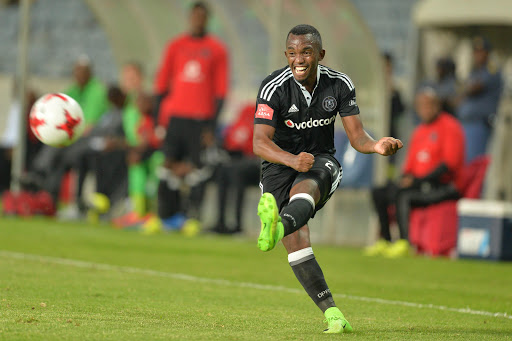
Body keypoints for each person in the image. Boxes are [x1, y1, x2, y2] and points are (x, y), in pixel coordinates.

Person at [253, 24, 402, 334]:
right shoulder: (273, 88)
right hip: (280, 165)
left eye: (306, 52)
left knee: (306, 189)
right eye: (292, 53)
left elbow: (357, 136)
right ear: (286, 55)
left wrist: (375, 146)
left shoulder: (339, 85)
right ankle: (333, 314)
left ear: (320, 54)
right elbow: (259, 143)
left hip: (320, 160)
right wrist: (292, 159)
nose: (299, 59)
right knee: (298, 242)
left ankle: (277, 225)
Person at [366, 87, 465, 258]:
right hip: (418, 184)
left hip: (444, 186)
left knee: (404, 195)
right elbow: (409, 167)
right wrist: (406, 178)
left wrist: (417, 181)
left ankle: (405, 243)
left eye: (429, 105)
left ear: (437, 106)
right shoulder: (419, 131)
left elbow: (449, 164)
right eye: (421, 106)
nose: (425, 109)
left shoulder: (450, 126)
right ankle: (386, 241)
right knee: (379, 192)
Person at [153, 1, 228, 223]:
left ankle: (192, 218)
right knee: (167, 167)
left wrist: (211, 128)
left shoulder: (217, 49)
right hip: (175, 118)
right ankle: (165, 216)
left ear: (207, 20)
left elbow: (220, 92)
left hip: (200, 120)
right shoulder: (175, 46)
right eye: (194, 16)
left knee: (197, 170)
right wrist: (159, 121)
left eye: (201, 17)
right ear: (189, 18)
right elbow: (161, 86)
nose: (197, 21)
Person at [210, 104, 260, 234]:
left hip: (255, 163)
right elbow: (228, 144)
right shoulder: (238, 124)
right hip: (236, 160)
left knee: (237, 172)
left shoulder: (261, 124)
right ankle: (220, 222)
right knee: (222, 171)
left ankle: (238, 224)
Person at [456, 36, 502, 163]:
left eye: (481, 52)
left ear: (487, 53)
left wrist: (462, 92)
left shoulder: (491, 70)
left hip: (479, 124)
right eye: (476, 52)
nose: (478, 55)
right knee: (464, 161)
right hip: (466, 123)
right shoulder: (475, 71)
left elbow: (474, 88)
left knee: (473, 162)